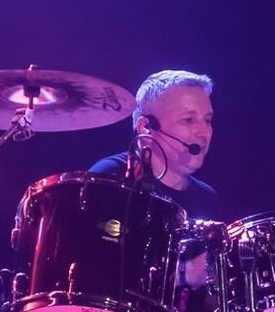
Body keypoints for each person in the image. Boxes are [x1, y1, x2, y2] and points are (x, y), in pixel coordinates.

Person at [89, 69, 223, 291]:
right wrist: (184, 273)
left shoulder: (207, 199)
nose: (204, 132)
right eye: (189, 120)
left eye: (207, 120)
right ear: (146, 127)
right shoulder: (111, 178)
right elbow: (92, 275)